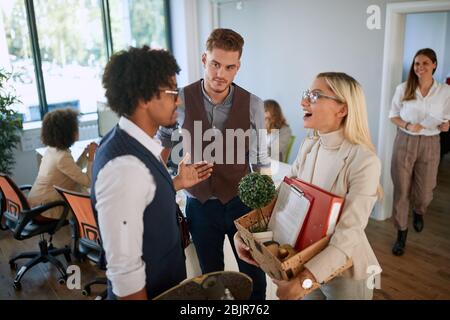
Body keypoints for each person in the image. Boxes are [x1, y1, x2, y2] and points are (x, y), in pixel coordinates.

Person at [234, 72, 382, 300]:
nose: (303, 102)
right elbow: (283, 198)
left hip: (343, 272)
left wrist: (304, 282)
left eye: (315, 96)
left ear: (342, 109)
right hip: (303, 262)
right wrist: (246, 236)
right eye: (306, 95)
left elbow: (348, 233)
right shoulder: (309, 146)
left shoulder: (364, 161)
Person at [157, 28, 270, 300]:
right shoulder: (179, 100)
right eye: (215, 64)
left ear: (238, 67)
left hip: (242, 203)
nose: (221, 74)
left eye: (229, 67)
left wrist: (265, 210)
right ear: (204, 60)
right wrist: (169, 183)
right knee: (211, 280)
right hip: (200, 204)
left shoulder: (253, 103)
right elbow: (163, 148)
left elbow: (260, 160)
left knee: (254, 276)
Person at [92, 46, 213, 300]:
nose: (177, 101)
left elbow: (144, 201)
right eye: (172, 93)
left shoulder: (133, 144)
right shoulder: (125, 168)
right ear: (144, 99)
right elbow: (125, 275)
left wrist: (177, 182)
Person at [389, 48, 450, 256]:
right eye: (416, 63)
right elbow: (393, 116)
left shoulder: (445, 91)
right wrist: (407, 123)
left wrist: (447, 125)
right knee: (401, 190)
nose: (420, 67)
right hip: (405, 140)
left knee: (425, 191)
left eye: (424, 63)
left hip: (431, 142)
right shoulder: (403, 88)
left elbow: (447, 118)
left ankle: (419, 211)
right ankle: (401, 234)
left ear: (434, 64)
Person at [28, 108, 97, 224]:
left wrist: (85, 155)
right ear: (68, 132)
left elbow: (73, 171)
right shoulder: (62, 157)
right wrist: (91, 157)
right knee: (89, 203)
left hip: (37, 203)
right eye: (76, 127)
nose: (78, 130)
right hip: (47, 209)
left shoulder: (53, 150)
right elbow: (89, 182)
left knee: (81, 193)